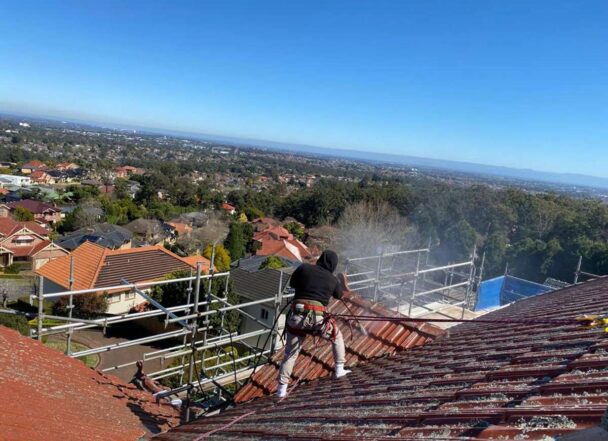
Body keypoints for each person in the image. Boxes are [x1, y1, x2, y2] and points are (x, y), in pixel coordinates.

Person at [276, 250, 351, 398]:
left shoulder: (304, 268)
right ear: (333, 265)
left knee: (290, 353)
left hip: (297, 316)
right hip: (318, 319)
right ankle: (339, 368)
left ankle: (281, 390)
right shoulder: (332, 279)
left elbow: (293, 283)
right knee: (336, 336)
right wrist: (340, 282)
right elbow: (340, 295)